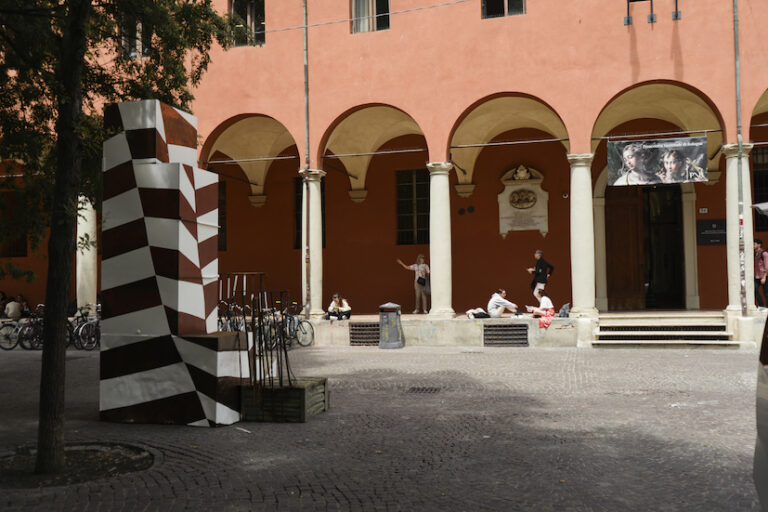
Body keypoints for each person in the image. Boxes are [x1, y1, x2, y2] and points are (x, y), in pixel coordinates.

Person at [756, 239, 768, 308]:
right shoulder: (755, 254)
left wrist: (764, 277)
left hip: (764, 276)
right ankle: (761, 306)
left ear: (759, 245)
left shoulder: (764, 253)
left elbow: (767, 266)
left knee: (766, 293)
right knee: (754, 290)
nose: (753, 245)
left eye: (754, 244)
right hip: (757, 276)